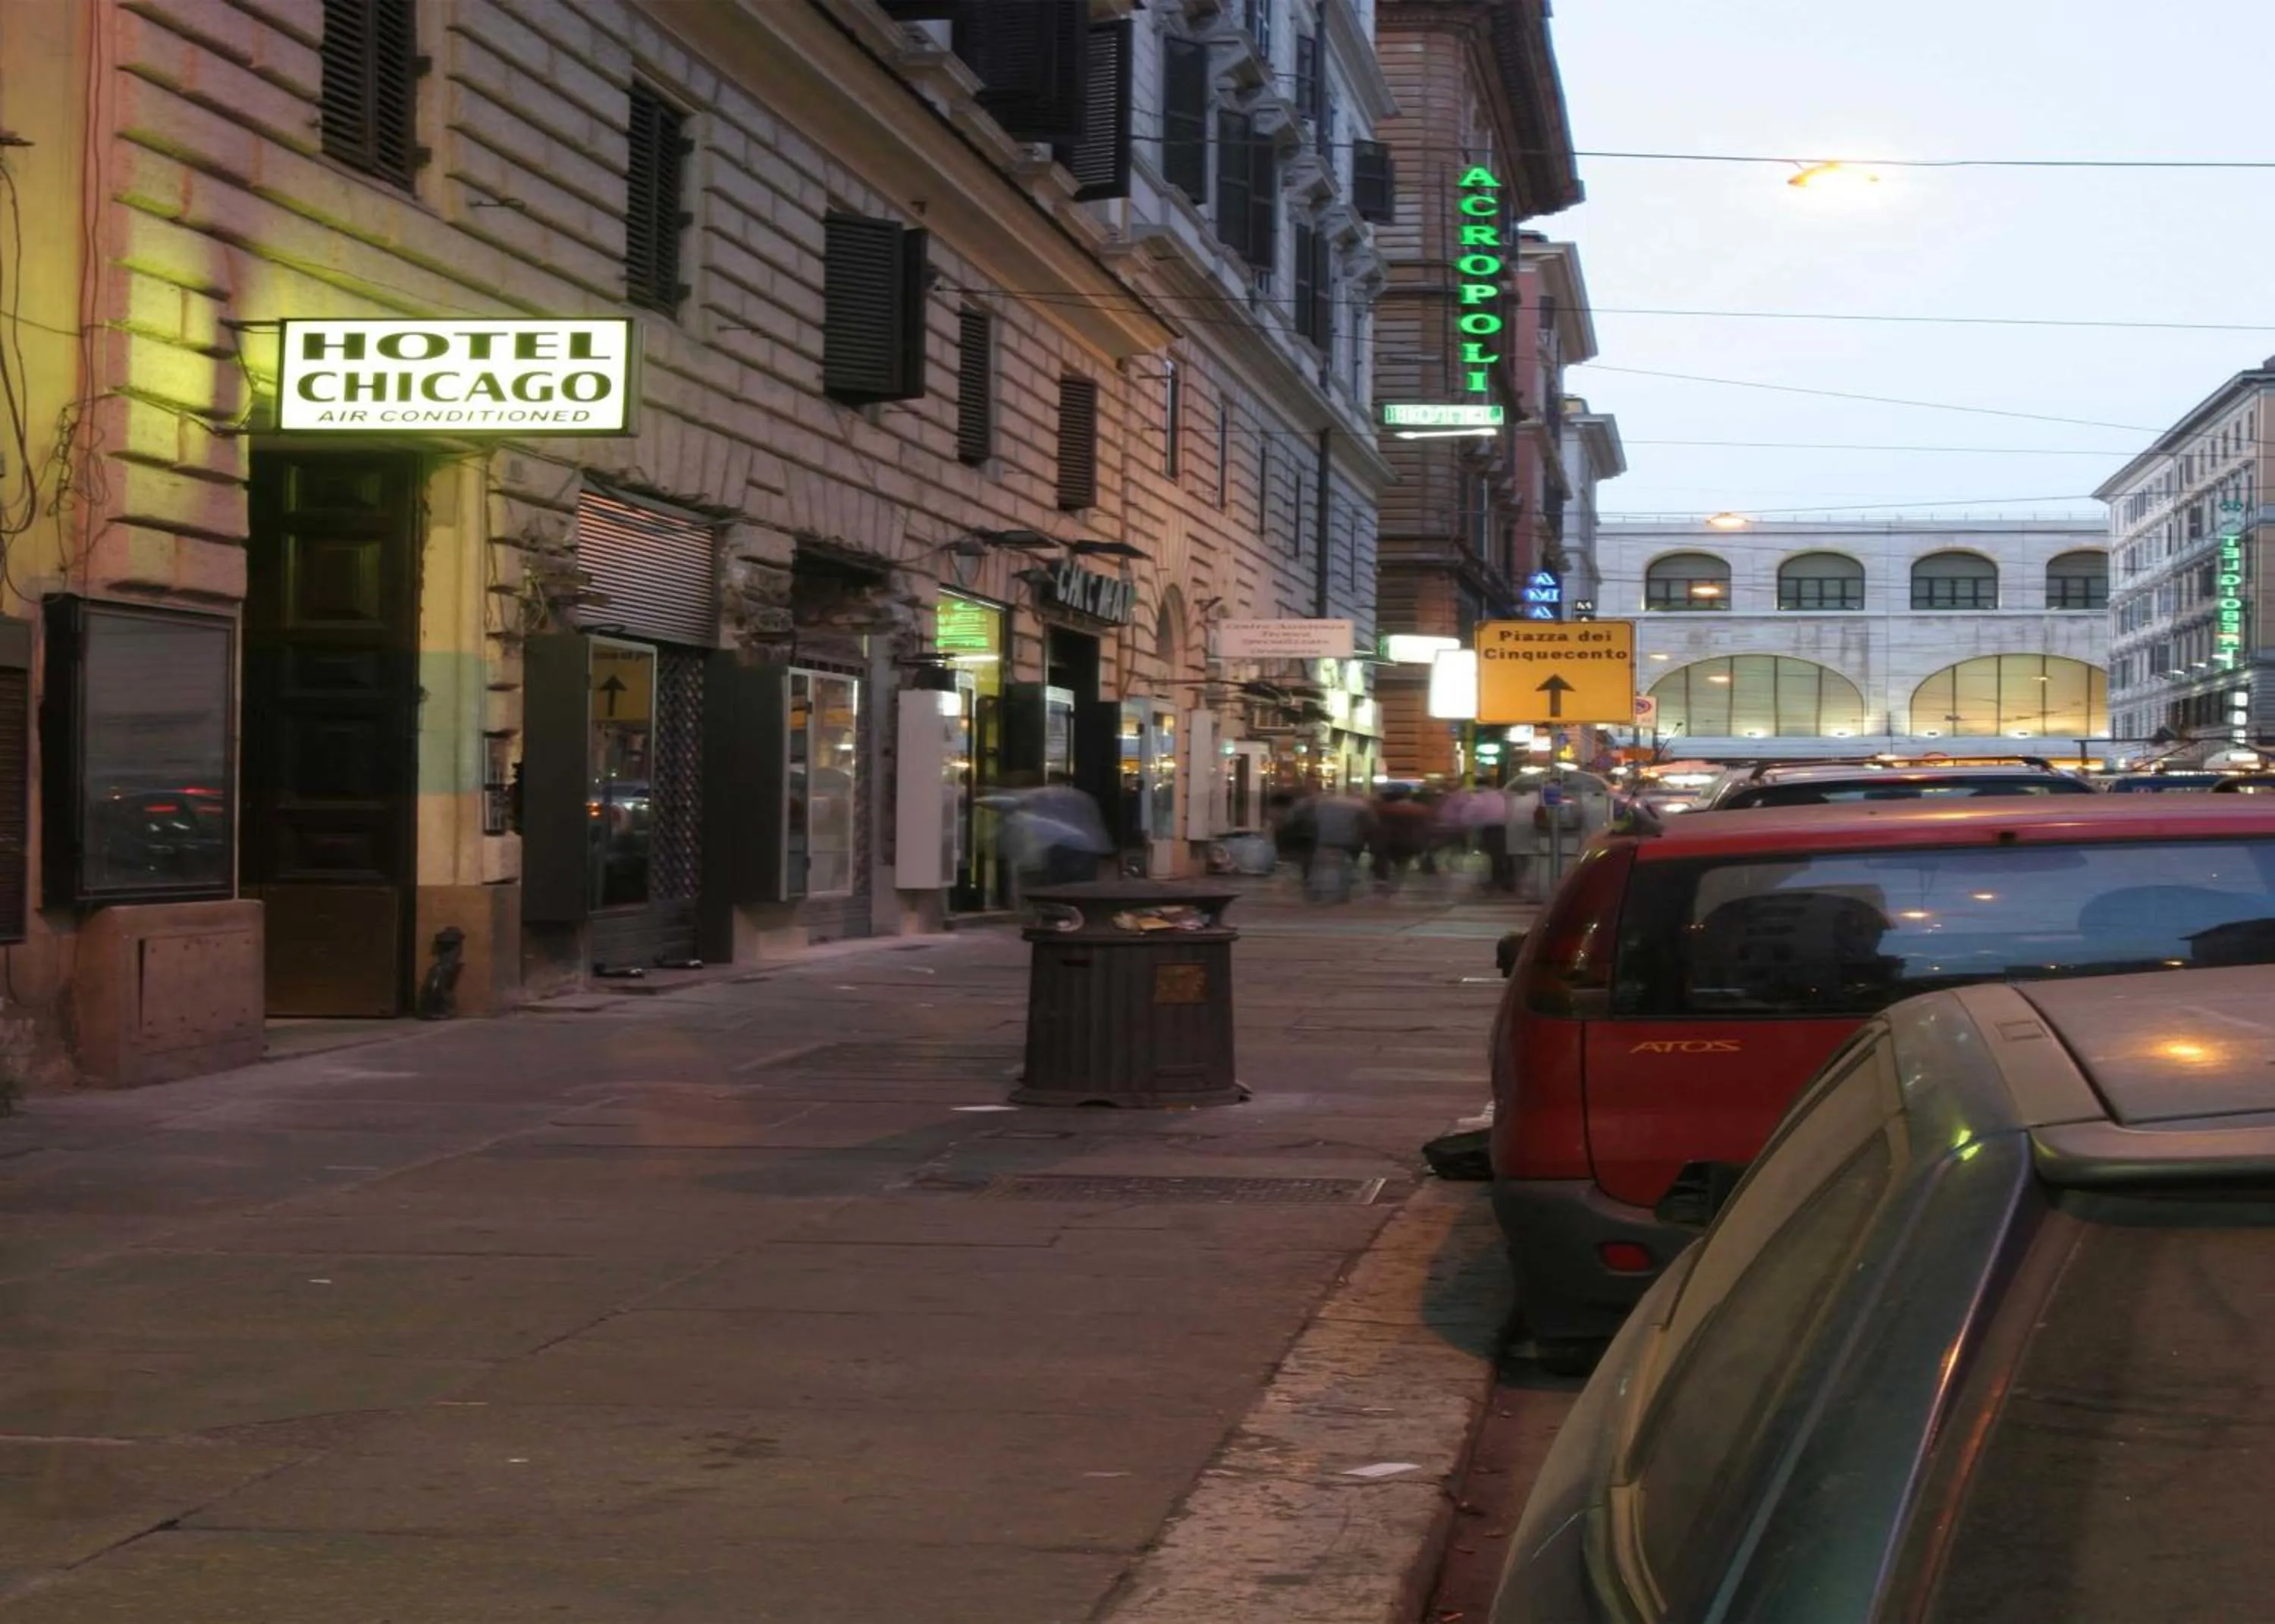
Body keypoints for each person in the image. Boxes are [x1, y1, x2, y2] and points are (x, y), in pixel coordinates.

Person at [1371, 786, 1435, 892]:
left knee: (1384, 860)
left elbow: (1376, 825)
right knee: (1402, 864)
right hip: (1413, 843)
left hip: (1389, 842)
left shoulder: (1384, 809)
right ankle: (1397, 885)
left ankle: (1384, 882)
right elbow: (1428, 827)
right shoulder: (1422, 809)